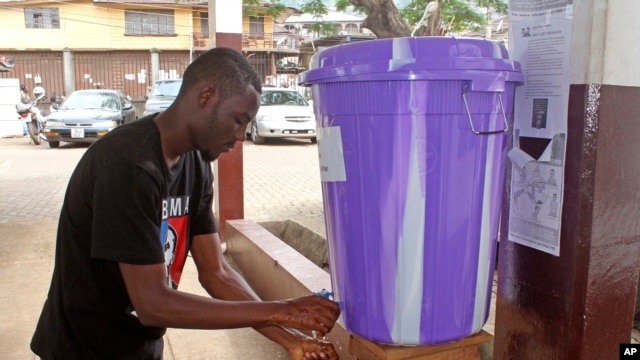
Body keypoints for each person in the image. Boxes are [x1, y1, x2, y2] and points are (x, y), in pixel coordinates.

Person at [30, 47, 340, 360]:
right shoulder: (128, 165)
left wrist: (289, 339)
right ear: (206, 96)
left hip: (140, 346)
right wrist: (282, 310)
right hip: (83, 349)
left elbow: (216, 273)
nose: (241, 136)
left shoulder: (196, 165)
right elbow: (152, 304)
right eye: (238, 120)